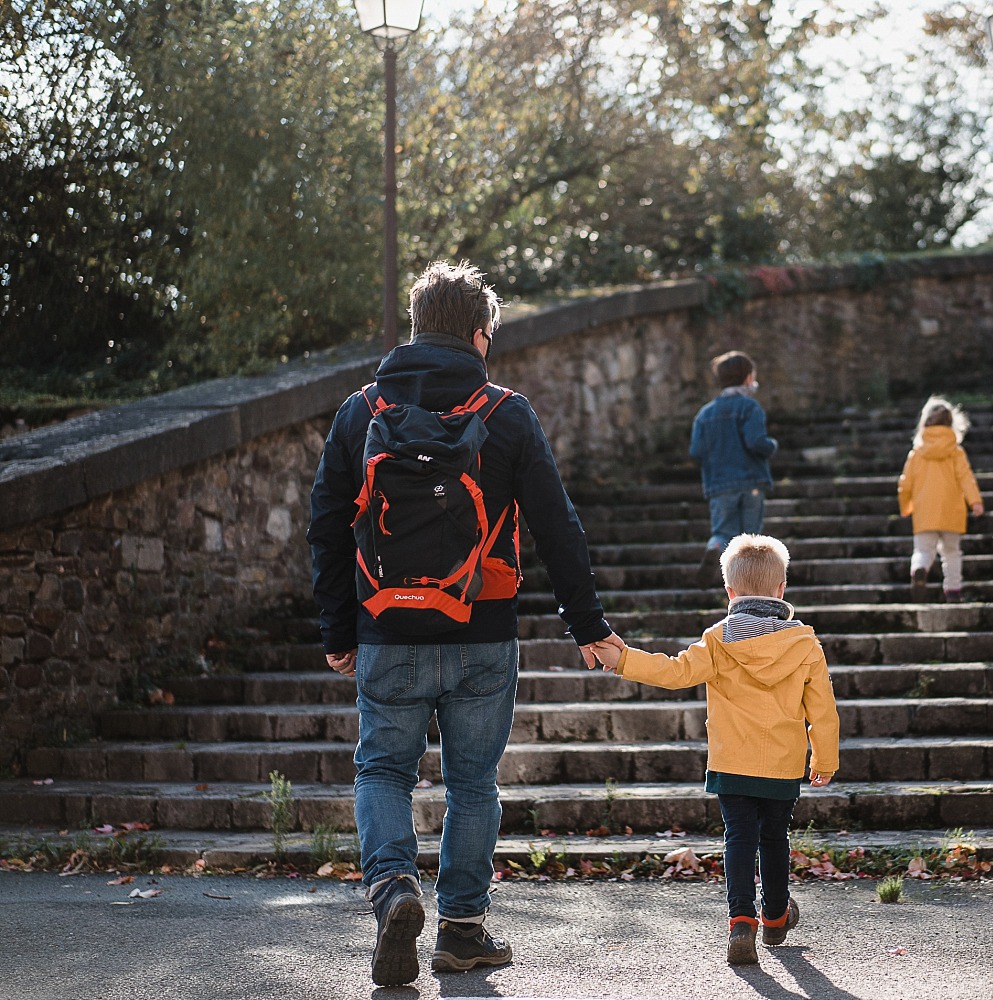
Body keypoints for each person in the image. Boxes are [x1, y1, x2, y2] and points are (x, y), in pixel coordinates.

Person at [307, 260, 619, 986]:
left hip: (386, 627)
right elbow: (556, 526)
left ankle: (392, 888)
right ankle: (463, 931)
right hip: (482, 627)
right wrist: (587, 625)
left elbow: (325, 524)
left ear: (417, 328)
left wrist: (337, 630)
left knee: (384, 768)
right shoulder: (506, 412)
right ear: (480, 334)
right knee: (473, 782)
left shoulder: (362, 412)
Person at [586, 534, 838, 966]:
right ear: (781, 590)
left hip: (732, 762)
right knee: (775, 838)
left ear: (730, 592)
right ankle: (776, 916)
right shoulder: (804, 645)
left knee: (739, 838)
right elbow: (823, 711)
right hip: (782, 764)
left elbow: (675, 671)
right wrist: (825, 759)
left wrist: (624, 658)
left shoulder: (719, 640)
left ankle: (742, 920)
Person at [689, 350, 777, 585]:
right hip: (750, 482)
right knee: (749, 539)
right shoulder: (750, 408)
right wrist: (771, 446)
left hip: (719, 485)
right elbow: (756, 442)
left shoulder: (704, 414)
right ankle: (747, 584)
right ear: (748, 377)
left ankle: (715, 546)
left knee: (723, 531)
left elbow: (696, 451)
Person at [897, 395, 985, 602]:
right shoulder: (956, 452)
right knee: (952, 552)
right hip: (951, 511)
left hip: (925, 511)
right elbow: (966, 479)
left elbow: (905, 483)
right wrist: (975, 502)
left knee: (923, 550)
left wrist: (906, 506)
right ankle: (953, 591)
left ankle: (919, 568)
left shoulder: (916, 454)